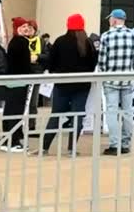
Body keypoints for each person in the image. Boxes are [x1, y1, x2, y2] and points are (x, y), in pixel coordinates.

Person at [42, 14, 97, 155]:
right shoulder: (88, 43)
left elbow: (51, 63)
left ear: (68, 25)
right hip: (82, 85)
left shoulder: (60, 41)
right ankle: (71, 148)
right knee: (78, 115)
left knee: (56, 115)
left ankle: (45, 147)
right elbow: (93, 64)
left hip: (62, 84)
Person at [98, 9, 134, 156]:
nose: (109, 21)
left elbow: (102, 61)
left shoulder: (106, 36)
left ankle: (114, 144)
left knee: (112, 112)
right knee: (127, 112)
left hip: (111, 79)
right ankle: (125, 143)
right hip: (127, 79)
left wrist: (105, 72)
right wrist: (130, 68)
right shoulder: (133, 36)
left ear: (115, 20)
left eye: (110, 18)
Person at [2, 18, 34, 152]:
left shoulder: (16, 42)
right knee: (15, 110)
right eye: (23, 26)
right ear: (17, 28)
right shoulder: (20, 42)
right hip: (19, 81)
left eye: (27, 26)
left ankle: (9, 137)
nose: (26, 28)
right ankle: (13, 140)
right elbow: (24, 64)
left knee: (10, 108)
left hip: (13, 80)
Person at [25, 19, 42, 132]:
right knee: (22, 101)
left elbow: (47, 56)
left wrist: (38, 57)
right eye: (27, 28)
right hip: (24, 73)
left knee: (33, 102)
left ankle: (31, 125)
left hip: (36, 73)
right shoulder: (21, 41)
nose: (28, 30)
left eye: (31, 28)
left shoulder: (41, 41)